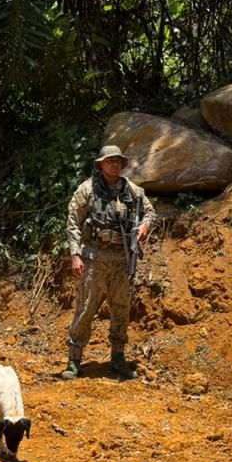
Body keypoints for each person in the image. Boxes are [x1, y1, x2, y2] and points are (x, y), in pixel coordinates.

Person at [62, 144, 154, 381]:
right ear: (100, 164)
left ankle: (118, 358)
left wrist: (144, 226)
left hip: (122, 260)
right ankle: (74, 360)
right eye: (109, 161)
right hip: (94, 259)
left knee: (121, 310)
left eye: (117, 161)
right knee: (86, 309)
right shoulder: (87, 190)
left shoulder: (131, 190)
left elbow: (150, 212)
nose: (114, 164)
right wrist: (75, 254)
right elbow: (72, 222)